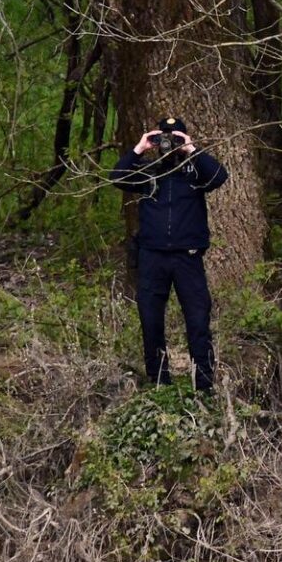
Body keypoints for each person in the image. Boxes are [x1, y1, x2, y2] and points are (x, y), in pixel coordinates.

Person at [109, 116, 228, 391]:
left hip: (188, 256)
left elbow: (219, 176)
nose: (169, 143)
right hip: (152, 256)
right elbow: (117, 177)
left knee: (197, 320)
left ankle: (204, 384)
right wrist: (140, 148)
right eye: (164, 137)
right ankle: (159, 381)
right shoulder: (148, 172)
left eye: (174, 138)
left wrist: (191, 149)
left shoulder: (195, 173)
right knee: (151, 320)